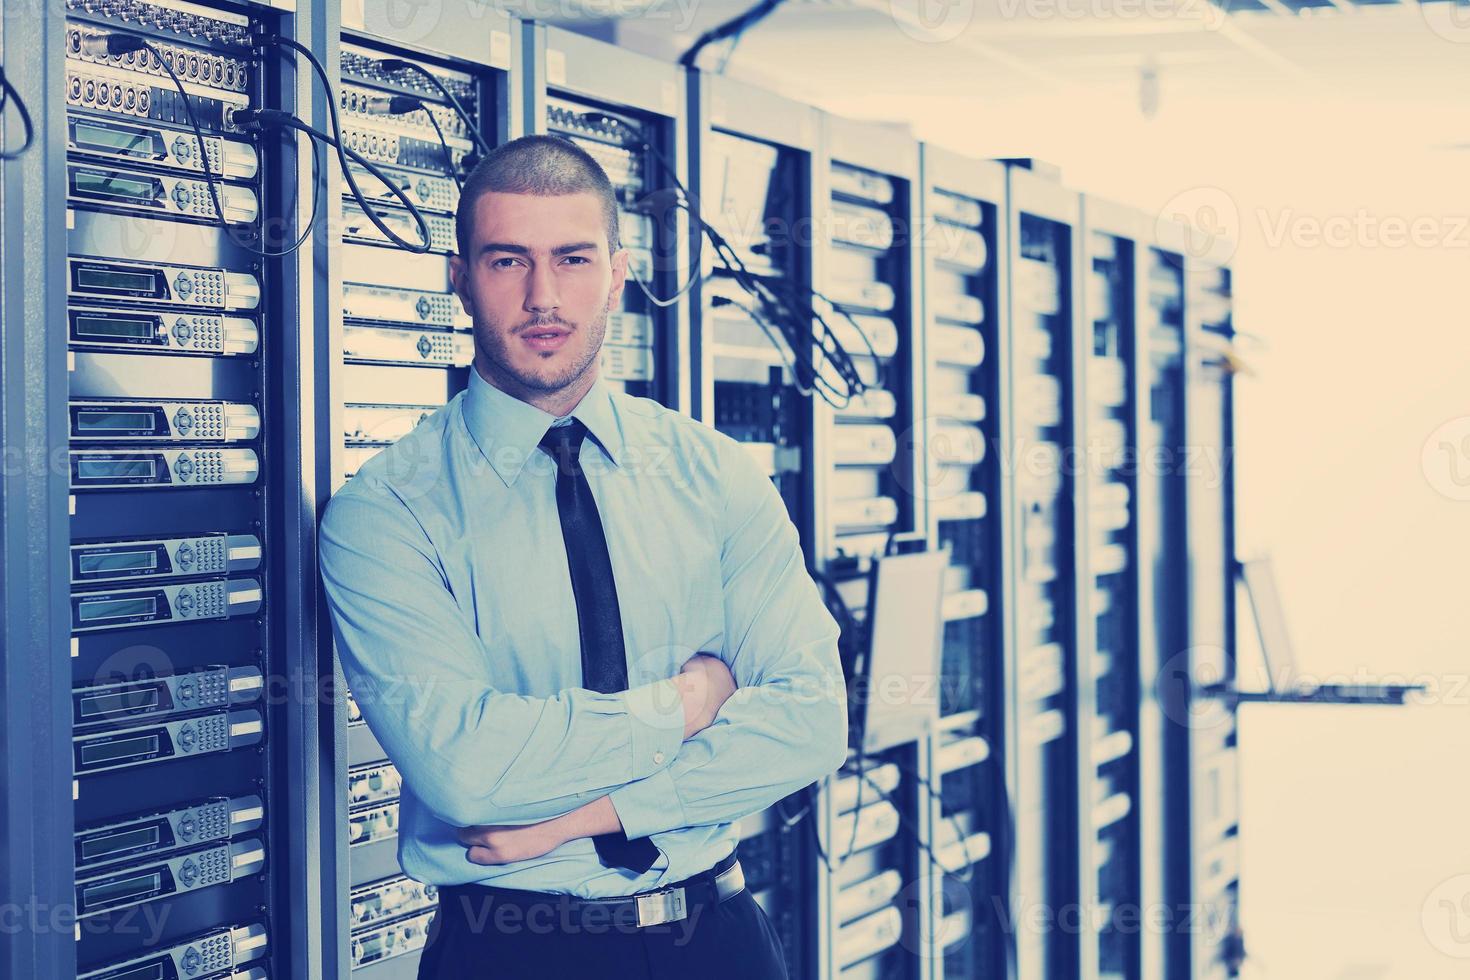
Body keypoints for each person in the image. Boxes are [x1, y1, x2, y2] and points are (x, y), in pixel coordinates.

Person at [319, 134, 848, 979]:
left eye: (572, 258)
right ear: (458, 279)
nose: (543, 296)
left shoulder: (713, 475)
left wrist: (574, 820)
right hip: (507, 951)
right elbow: (467, 770)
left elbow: (812, 721)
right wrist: (690, 702)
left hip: (716, 941)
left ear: (617, 271)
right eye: (506, 262)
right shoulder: (385, 513)